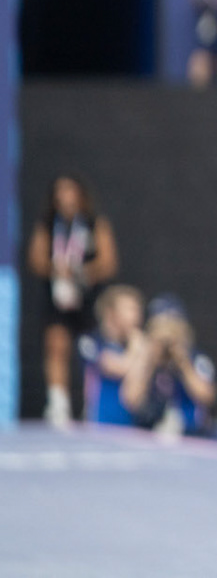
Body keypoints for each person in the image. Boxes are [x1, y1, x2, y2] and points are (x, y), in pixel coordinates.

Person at [26, 176, 119, 428]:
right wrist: (57, 270)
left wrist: (81, 272)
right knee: (56, 345)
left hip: (87, 297)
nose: (65, 197)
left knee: (92, 349)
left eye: (70, 191)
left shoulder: (93, 223)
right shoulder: (48, 224)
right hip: (58, 297)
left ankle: (94, 404)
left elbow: (108, 262)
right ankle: (58, 403)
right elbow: (36, 260)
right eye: (60, 192)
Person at [119, 294, 217, 435]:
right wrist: (149, 361)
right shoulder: (144, 359)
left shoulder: (196, 358)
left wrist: (183, 363)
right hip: (150, 433)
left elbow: (207, 396)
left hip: (191, 435)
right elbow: (131, 400)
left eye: (173, 328)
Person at [76, 284, 146, 426]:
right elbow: (118, 368)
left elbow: (133, 397)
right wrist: (137, 349)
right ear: (110, 313)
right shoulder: (91, 342)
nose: (136, 315)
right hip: (98, 427)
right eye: (129, 309)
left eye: (137, 309)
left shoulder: (136, 346)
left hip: (130, 430)